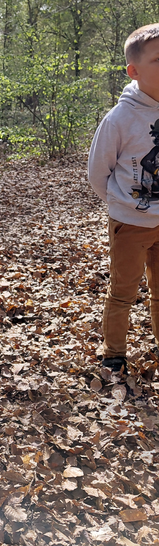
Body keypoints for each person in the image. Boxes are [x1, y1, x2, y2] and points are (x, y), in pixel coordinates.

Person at [88, 22, 159, 374]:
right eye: (158, 59)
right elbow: (97, 172)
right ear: (134, 71)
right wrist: (123, 204)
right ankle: (114, 353)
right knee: (123, 291)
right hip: (130, 223)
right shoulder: (119, 119)